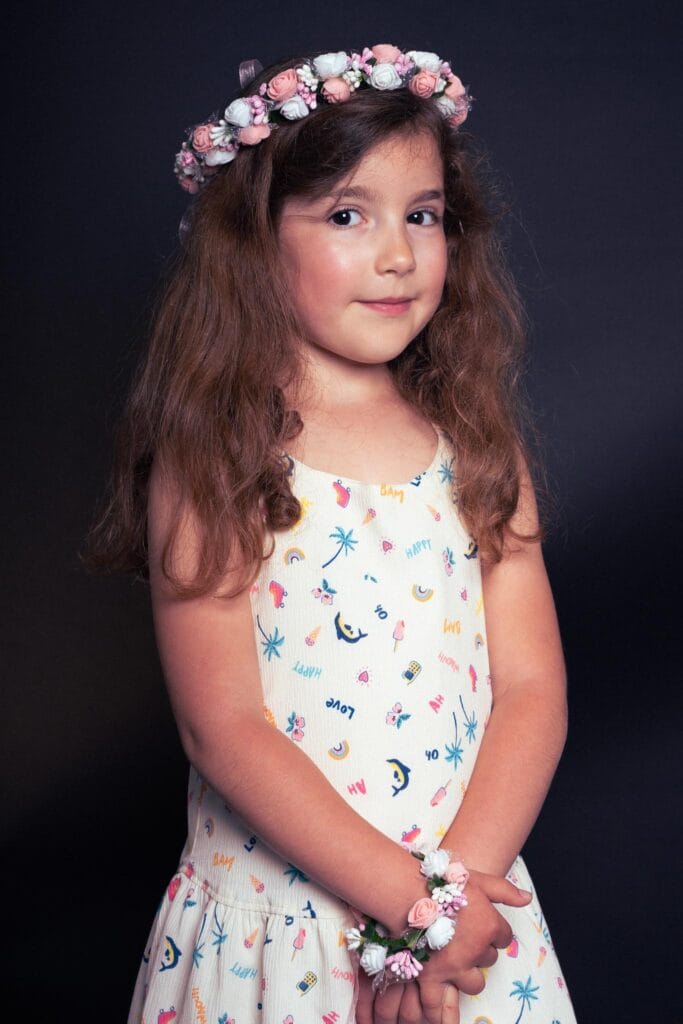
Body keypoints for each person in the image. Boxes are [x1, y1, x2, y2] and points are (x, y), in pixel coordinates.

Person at [82, 43, 577, 1024]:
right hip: (285, 934)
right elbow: (222, 726)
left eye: (421, 215)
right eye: (347, 214)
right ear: (256, 238)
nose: (397, 253)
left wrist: (448, 911)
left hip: (464, 930)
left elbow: (531, 689)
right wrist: (405, 905)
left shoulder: (475, 441)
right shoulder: (218, 451)